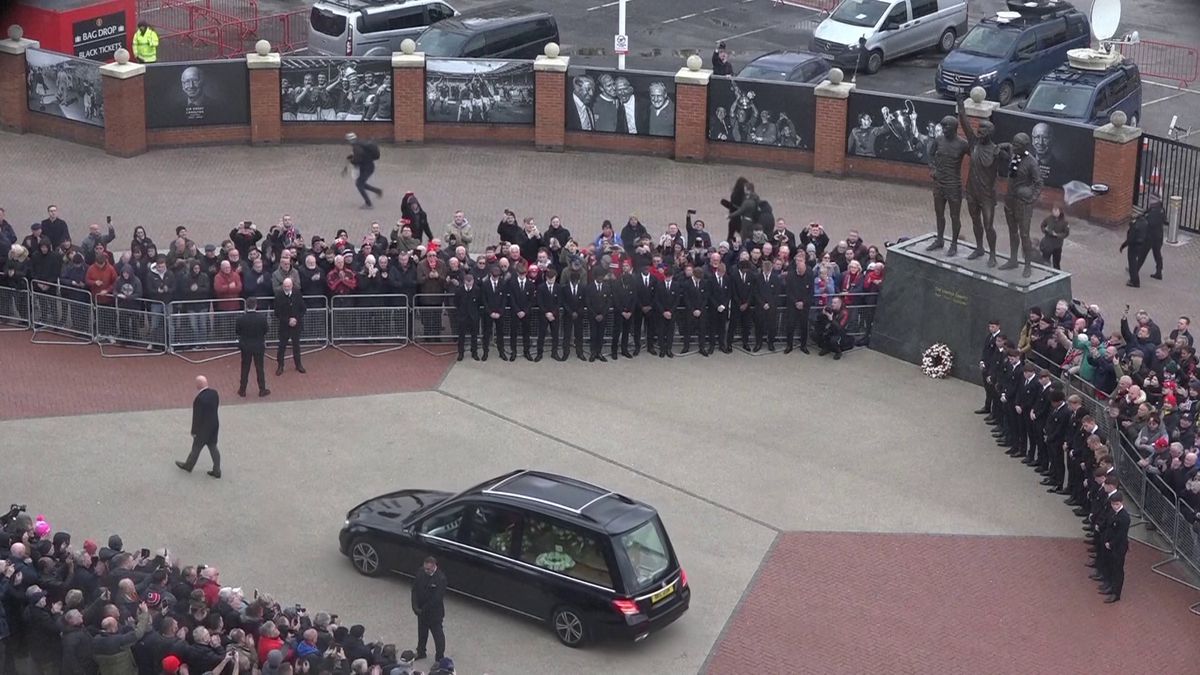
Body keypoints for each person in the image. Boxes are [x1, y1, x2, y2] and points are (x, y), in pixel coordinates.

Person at [176, 376, 221, 478]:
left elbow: (196, 417)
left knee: (196, 448)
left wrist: (194, 431)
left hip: (203, 429)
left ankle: (188, 466)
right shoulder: (214, 393)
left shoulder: (199, 399)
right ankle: (217, 469)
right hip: (214, 425)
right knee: (213, 447)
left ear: (198, 385)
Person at [411, 557, 446, 663]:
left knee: (438, 637)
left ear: (435, 566)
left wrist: (422, 610)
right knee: (422, 634)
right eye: (425, 568)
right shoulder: (420, 572)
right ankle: (421, 652)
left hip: (434, 614)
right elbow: (414, 590)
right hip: (421, 612)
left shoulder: (441, 579)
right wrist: (414, 606)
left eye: (428, 569)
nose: (426, 571)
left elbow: (436, 599)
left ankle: (439, 658)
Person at [235, 296, 270, 398]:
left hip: (245, 346)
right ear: (256, 306)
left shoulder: (241, 319)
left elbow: (238, 331)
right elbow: (266, 330)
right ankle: (262, 389)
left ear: (246, 306)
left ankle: (242, 390)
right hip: (258, 345)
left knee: (245, 368)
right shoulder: (262, 318)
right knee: (260, 368)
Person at [1100, 491, 1130, 603]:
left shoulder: (1124, 517)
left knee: (1118, 569)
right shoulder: (1113, 513)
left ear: (1121, 503)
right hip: (1110, 544)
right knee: (1110, 565)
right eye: (1113, 504)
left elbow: (1121, 535)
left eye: (1116, 504)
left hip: (1118, 548)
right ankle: (1110, 585)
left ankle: (1116, 593)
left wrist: (1111, 543)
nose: (1114, 506)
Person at [274, 277, 307, 375]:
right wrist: (287, 320)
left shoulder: (297, 293)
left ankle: (298, 364)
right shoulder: (279, 295)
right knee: (282, 346)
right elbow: (277, 313)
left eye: (288, 286)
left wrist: (296, 319)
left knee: (296, 345)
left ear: (292, 286)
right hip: (284, 325)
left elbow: (303, 309)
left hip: (296, 325)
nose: (287, 288)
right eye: (285, 286)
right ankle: (280, 366)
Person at [345, 133, 382, 209]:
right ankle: (377, 191)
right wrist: (352, 157)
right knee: (361, 183)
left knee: (359, 184)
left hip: (366, 168)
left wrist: (352, 160)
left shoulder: (356, 147)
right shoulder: (361, 144)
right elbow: (362, 155)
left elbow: (358, 159)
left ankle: (368, 204)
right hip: (368, 166)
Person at [453, 271, 481, 361]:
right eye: (467, 282)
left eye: (471, 282)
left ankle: (474, 353)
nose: (469, 284)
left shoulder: (477, 290)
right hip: (462, 316)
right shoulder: (459, 290)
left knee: (474, 336)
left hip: (473, 316)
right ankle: (461, 353)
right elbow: (456, 302)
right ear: (464, 281)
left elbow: (479, 303)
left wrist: (476, 314)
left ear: (473, 281)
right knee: (461, 336)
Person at [1119, 205, 1149, 288]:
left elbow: (1131, 238)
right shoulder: (1145, 222)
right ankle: (1134, 281)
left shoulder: (1135, 225)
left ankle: (1134, 281)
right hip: (1141, 245)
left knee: (1132, 263)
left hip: (1134, 245)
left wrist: (1123, 246)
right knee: (1134, 262)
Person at [1141, 194, 1166, 281]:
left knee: (1143, 254)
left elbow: (1150, 223)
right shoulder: (1159, 209)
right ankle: (1159, 272)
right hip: (1158, 236)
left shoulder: (1156, 211)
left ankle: (1134, 269)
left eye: (1152, 198)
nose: (1150, 200)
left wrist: (1145, 218)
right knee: (1157, 254)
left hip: (1152, 237)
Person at [1038, 204, 1069, 270]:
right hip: (1047, 244)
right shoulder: (1049, 218)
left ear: (1060, 211)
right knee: (1045, 262)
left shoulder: (1064, 222)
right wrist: (1045, 230)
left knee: (1056, 263)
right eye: (1053, 210)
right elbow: (1042, 225)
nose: (1054, 211)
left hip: (1057, 245)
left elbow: (1066, 233)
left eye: (1056, 210)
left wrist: (1057, 235)